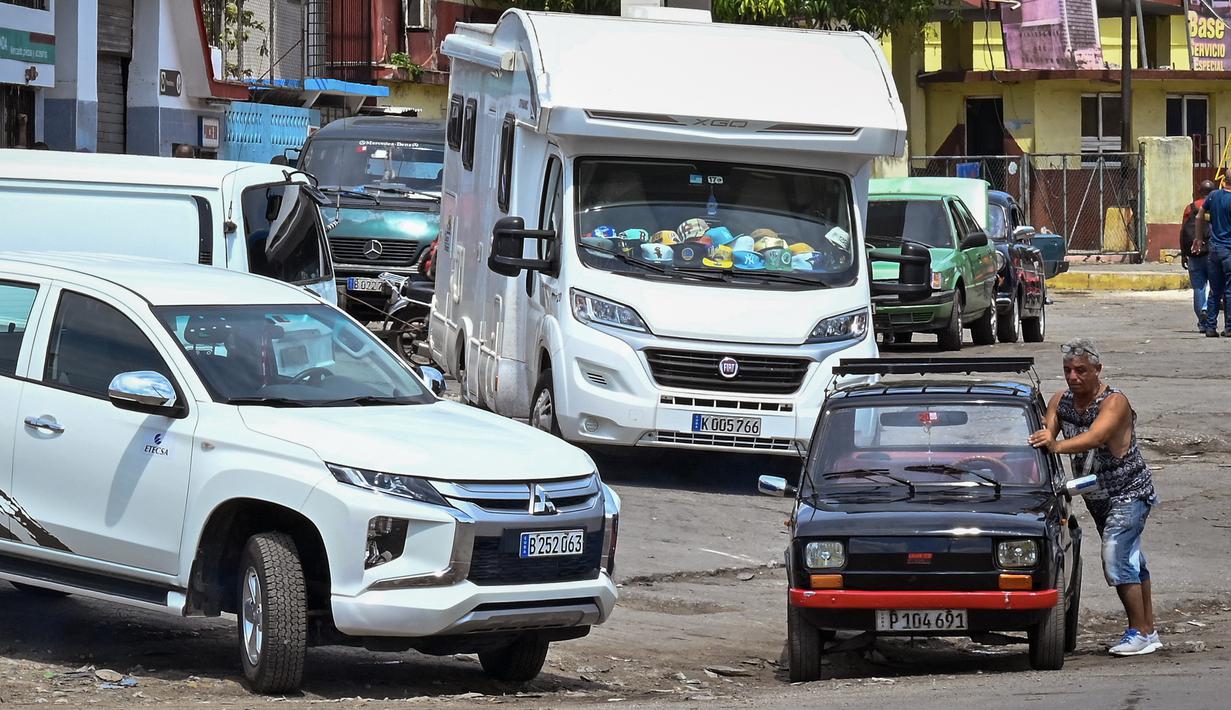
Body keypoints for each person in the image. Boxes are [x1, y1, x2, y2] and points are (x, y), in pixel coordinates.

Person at [1029, 338, 1160, 656]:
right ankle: (1148, 630)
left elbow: (1096, 436)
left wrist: (1056, 445)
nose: (1073, 377)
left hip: (1129, 492)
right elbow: (1043, 432)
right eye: (1068, 370)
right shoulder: (1062, 400)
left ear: (1098, 370)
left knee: (1116, 556)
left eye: (1081, 370)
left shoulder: (1114, 403)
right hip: (1098, 497)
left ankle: (1137, 632)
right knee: (1131, 560)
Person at [1181, 180, 1214, 334]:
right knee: (1215, 287)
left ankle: (1202, 321)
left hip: (1194, 253)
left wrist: (1183, 253)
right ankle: (1208, 310)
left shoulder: (1191, 207)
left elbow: (1183, 231)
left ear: (1199, 190)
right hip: (1213, 252)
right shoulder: (1216, 205)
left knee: (1198, 288)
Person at [1200, 178, 1231, 336]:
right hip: (1229, 250)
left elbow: (1200, 216)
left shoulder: (1213, 196)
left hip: (1214, 249)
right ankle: (1229, 327)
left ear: (1224, 180)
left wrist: (1198, 239)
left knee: (1214, 290)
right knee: (1230, 290)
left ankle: (1211, 327)